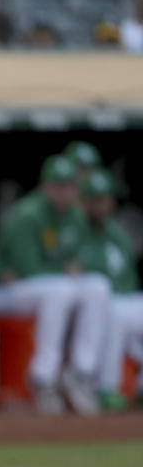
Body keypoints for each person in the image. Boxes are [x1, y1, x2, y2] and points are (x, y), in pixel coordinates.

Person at [0, 155, 110, 415]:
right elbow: (26, 269)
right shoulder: (28, 213)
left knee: (98, 286)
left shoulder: (76, 215)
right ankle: (43, 377)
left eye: (69, 185)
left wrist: (72, 269)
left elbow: (83, 258)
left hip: (46, 287)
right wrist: (65, 271)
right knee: (60, 289)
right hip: (5, 290)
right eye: (58, 185)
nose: (64, 192)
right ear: (45, 187)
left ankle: (82, 373)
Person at [77, 169, 143, 411]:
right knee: (114, 312)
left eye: (103, 200)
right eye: (93, 200)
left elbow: (129, 279)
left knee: (122, 310)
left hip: (123, 299)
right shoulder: (75, 232)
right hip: (96, 304)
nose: (98, 207)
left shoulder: (117, 235)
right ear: (82, 202)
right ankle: (107, 387)